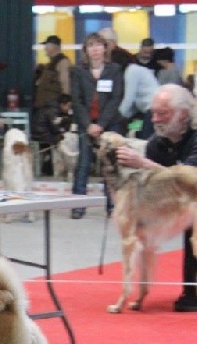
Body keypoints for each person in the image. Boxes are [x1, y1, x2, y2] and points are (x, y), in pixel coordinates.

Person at [116, 84, 197, 312]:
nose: (155, 119)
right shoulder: (156, 144)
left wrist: (142, 163)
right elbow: (154, 185)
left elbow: (188, 179)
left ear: (182, 114)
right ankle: (188, 292)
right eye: (153, 113)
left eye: (163, 114)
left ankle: (192, 291)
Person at [70, 32, 123, 219]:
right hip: (86, 124)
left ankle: (112, 205)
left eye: (99, 45)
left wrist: (101, 124)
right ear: (86, 50)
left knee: (111, 165)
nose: (95, 49)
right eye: (91, 45)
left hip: (110, 123)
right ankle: (78, 205)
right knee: (83, 163)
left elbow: (116, 98)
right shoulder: (78, 71)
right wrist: (88, 125)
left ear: (105, 48)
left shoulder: (115, 69)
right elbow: (76, 101)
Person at [119, 63, 158, 140]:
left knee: (145, 138)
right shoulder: (139, 70)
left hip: (151, 109)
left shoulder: (131, 71)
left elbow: (129, 98)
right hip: (143, 111)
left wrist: (119, 114)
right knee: (135, 133)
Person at [33, 35, 71, 110]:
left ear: (53, 46)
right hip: (45, 106)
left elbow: (65, 83)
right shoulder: (50, 64)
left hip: (54, 107)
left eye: (46, 46)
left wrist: (65, 101)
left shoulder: (63, 62)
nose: (45, 49)